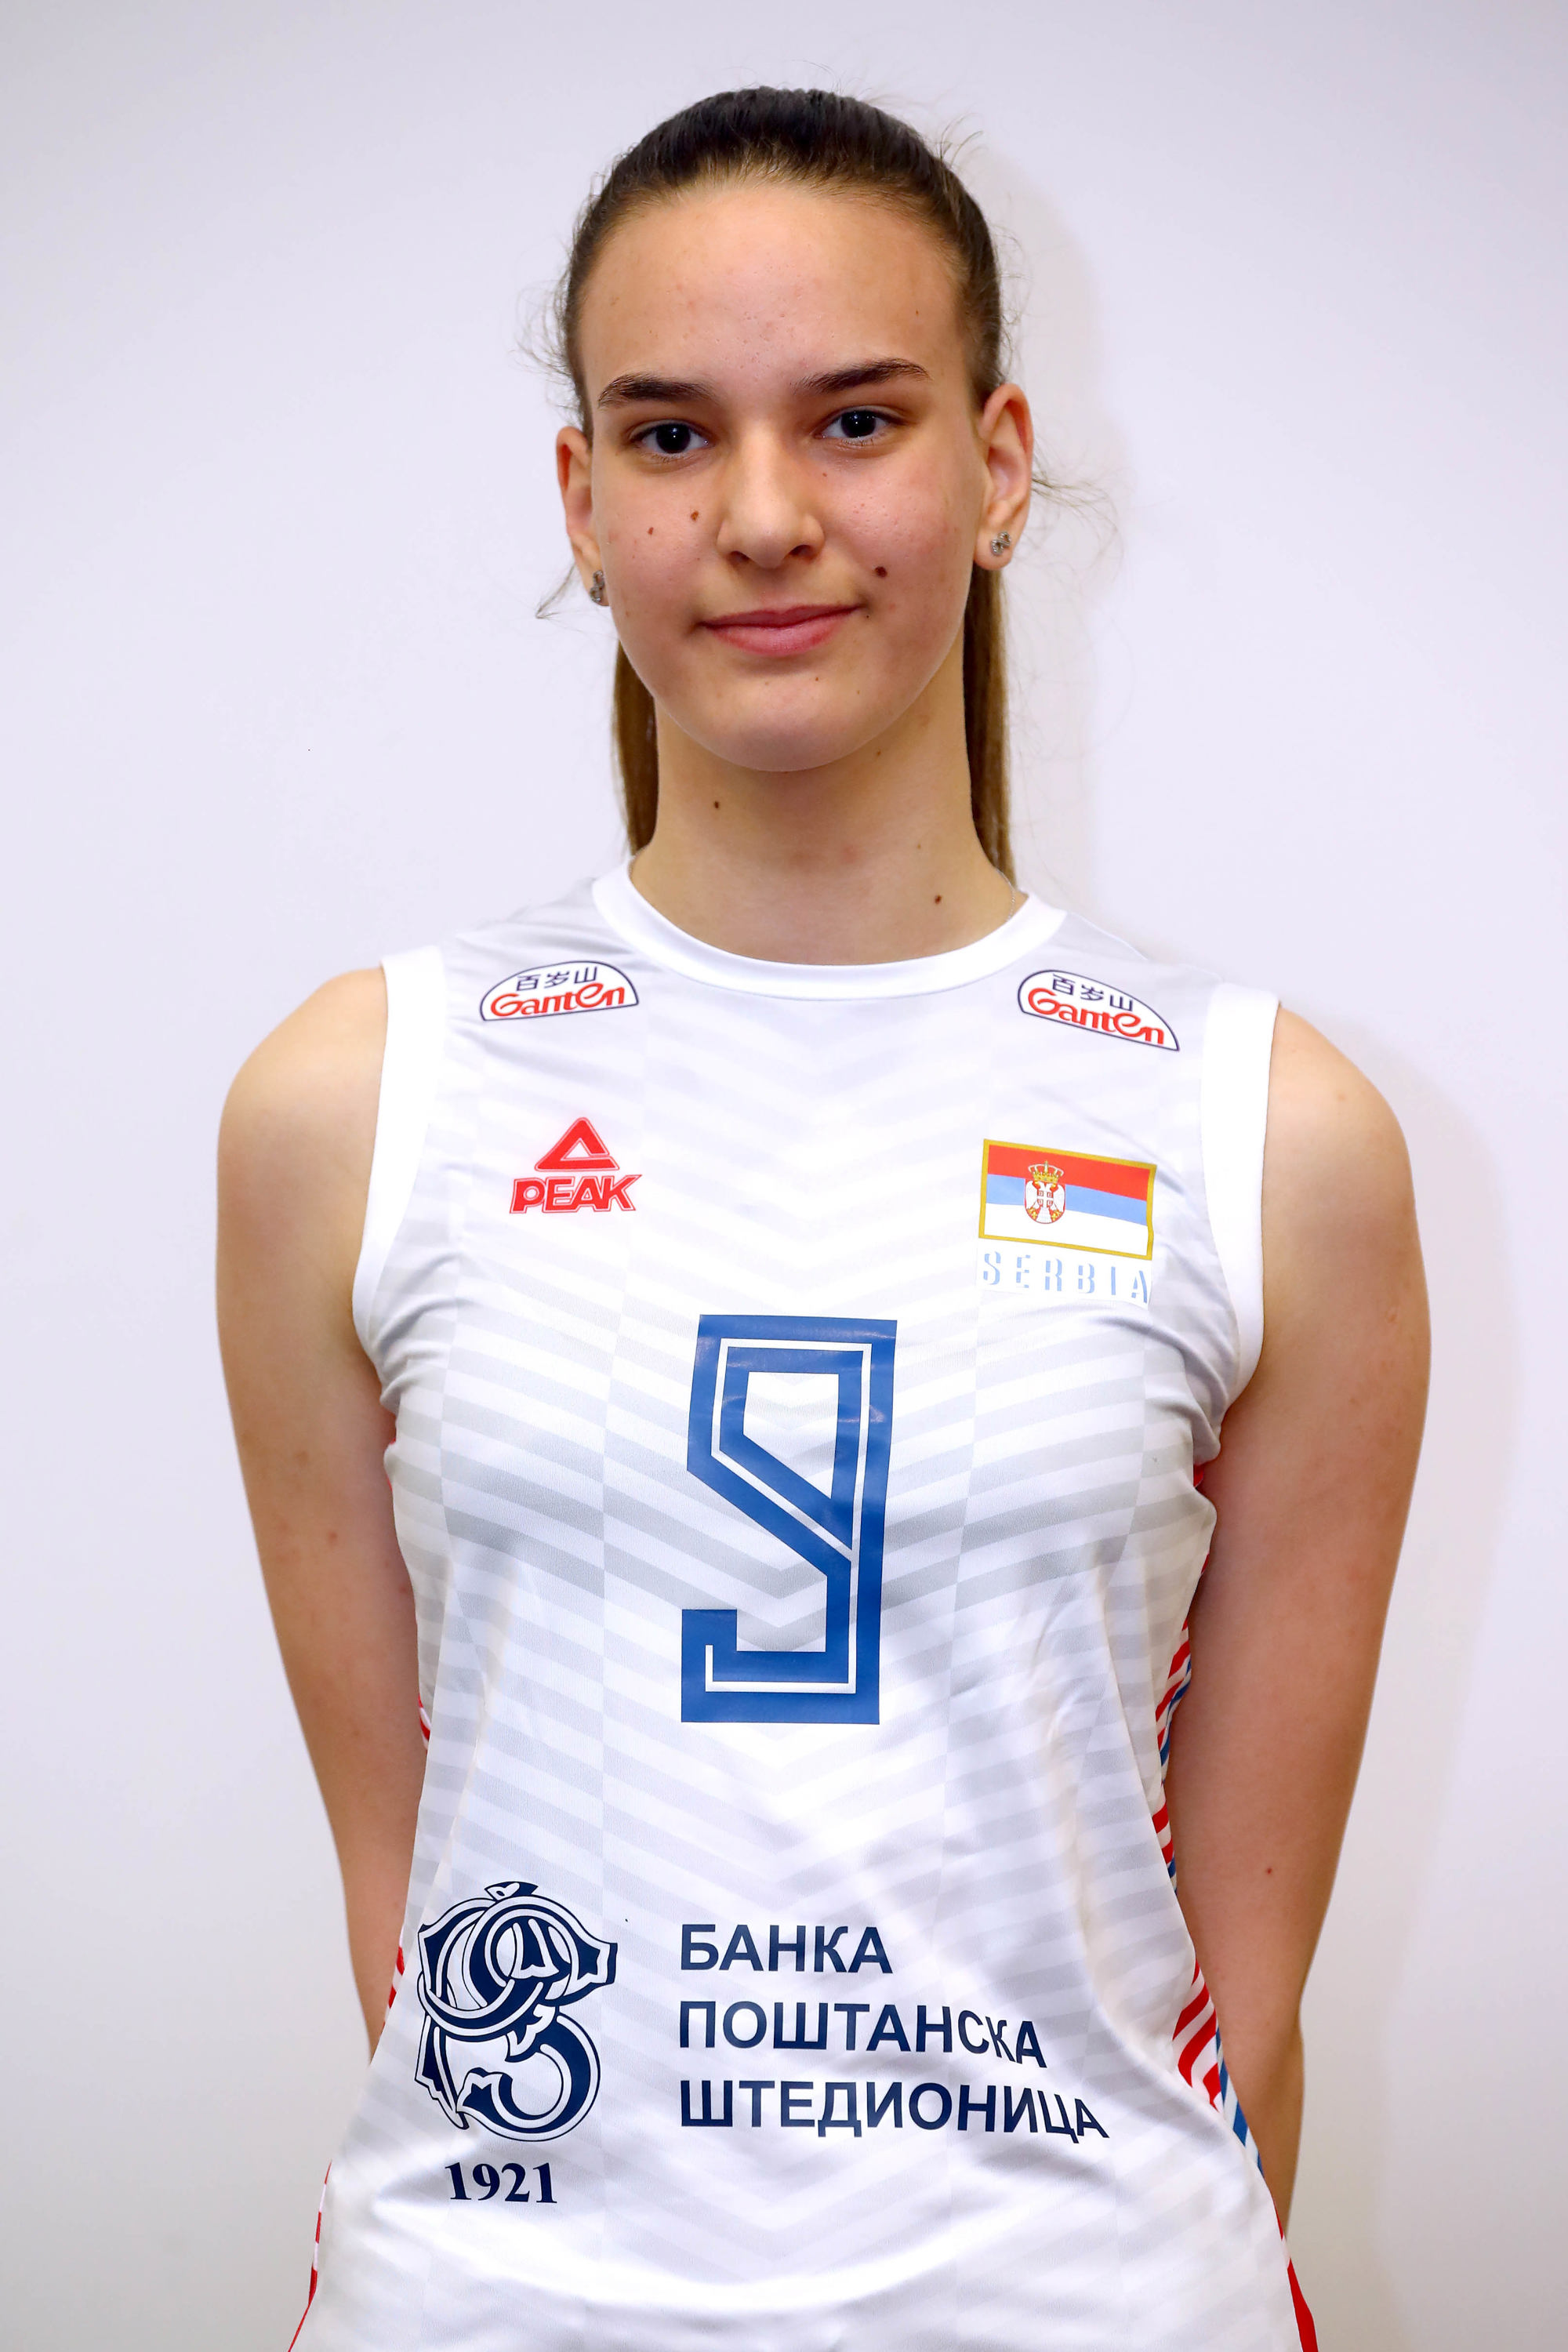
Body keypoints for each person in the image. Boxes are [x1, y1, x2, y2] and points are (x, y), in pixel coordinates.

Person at [218, 88, 1428, 2352]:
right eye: (671, 436)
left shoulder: (1268, 1131)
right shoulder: (359, 1101)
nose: (765, 516)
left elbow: (1240, 2009)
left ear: (998, 463)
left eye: (856, 419)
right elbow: (409, 1896)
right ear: (583, 500)